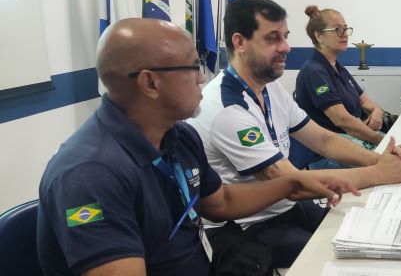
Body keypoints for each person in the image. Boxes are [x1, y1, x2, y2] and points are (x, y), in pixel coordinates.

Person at [36, 18, 357, 276]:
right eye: (192, 68)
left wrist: (293, 182)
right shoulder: (91, 174)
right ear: (150, 83)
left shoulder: (178, 136)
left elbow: (221, 201)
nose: (202, 79)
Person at [188, 0, 401, 268]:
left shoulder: (270, 88)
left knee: (374, 234)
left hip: (286, 207)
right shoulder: (226, 107)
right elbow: (284, 180)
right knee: (346, 261)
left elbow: (322, 138)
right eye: (273, 38)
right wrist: (378, 173)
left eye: (285, 36)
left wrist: (381, 159)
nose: (286, 47)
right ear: (239, 43)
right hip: (251, 225)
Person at [295, 5, 387, 167]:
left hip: (352, 142)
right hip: (327, 154)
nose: (344, 34)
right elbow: (342, 120)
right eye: (337, 29)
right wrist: (381, 140)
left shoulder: (337, 67)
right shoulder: (314, 72)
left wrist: (378, 111)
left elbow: (365, 101)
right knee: (391, 163)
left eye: (345, 29)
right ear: (319, 36)